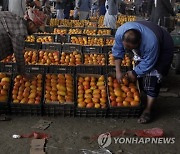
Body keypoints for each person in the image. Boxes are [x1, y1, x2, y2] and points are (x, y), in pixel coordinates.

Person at [112, 21, 174, 124]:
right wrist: (118, 71)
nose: (128, 50)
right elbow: (118, 51)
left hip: (164, 46)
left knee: (153, 77)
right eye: (126, 47)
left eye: (131, 48)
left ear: (139, 43)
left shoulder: (151, 43)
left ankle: (148, 110)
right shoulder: (120, 32)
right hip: (147, 42)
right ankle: (142, 99)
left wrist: (135, 72)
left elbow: (149, 63)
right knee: (139, 74)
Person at [0, 10, 46, 77]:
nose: (36, 31)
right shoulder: (20, 33)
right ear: (30, 24)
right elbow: (18, 55)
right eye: (36, 28)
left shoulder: (15, 18)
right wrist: (23, 73)